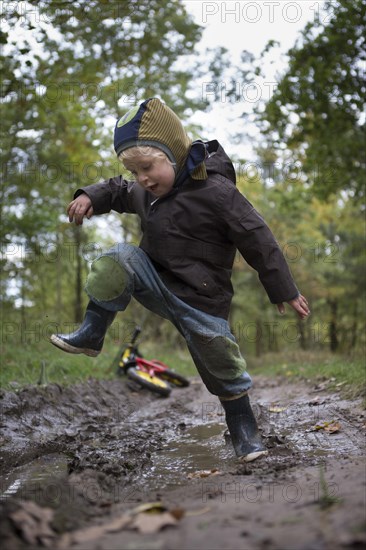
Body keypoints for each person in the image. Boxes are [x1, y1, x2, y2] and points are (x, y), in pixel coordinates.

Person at [50, 97, 310, 462]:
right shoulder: (144, 190)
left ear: (173, 153)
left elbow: (257, 237)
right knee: (117, 258)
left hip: (202, 299)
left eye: (148, 167)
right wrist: (91, 196)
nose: (142, 178)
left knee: (221, 360)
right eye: (134, 170)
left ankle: (242, 426)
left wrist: (283, 287)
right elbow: (117, 189)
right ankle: (93, 332)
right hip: (155, 281)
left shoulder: (217, 194)